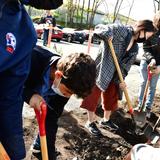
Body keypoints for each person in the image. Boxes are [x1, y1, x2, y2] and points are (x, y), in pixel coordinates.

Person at [0, 0, 62, 159]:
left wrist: (15, 151)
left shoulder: (26, 33)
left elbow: (11, 92)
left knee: (16, 153)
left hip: (8, 110)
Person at [80, 20, 156, 136]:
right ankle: (90, 122)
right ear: (142, 29)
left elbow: (126, 66)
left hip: (116, 73)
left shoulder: (135, 48)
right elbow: (99, 27)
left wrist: (122, 79)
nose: (145, 39)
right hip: (104, 65)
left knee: (112, 94)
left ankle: (106, 120)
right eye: (147, 36)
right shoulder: (121, 30)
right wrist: (107, 34)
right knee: (94, 93)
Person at [22, 45, 96, 160]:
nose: (67, 96)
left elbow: (51, 119)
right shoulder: (32, 59)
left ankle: (40, 146)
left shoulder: (68, 82)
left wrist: (50, 155)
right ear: (58, 75)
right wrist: (29, 95)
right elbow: (7, 84)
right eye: (68, 92)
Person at [137, 11, 160, 118]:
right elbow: (145, 48)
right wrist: (151, 59)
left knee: (153, 86)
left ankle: (148, 108)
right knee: (143, 83)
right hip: (146, 61)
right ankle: (139, 105)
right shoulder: (151, 30)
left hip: (158, 66)